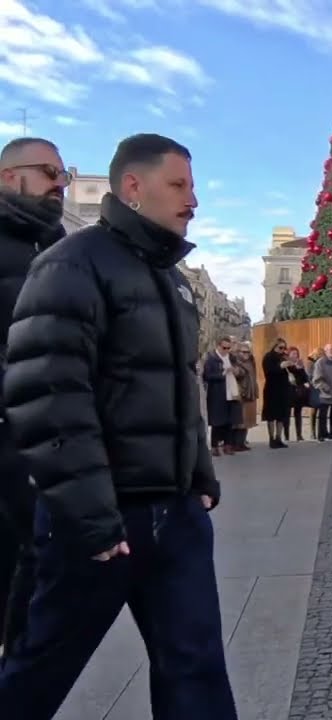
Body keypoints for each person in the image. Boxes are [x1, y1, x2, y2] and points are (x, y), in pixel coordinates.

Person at [0, 133, 236, 717]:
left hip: (175, 512)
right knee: (41, 666)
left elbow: (178, 385)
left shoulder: (173, 278)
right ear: (134, 187)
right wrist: (92, 518)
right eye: (178, 185)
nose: (193, 201)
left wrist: (199, 474)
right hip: (100, 518)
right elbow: (51, 398)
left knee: (196, 664)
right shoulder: (69, 264)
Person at [0, 137, 71, 653]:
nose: (59, 186)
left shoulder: (58, 248)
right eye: (49, 172)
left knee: (40, 552)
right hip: (10, 429)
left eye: (63, 177)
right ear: (8, 177)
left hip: (48, 433)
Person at [260, 337, 292, 448]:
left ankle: (279, 438)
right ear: (274, 346)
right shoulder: (268, 357)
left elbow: (292, 371)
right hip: (272, 389)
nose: (282, 349)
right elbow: (268, 372)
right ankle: (271, 439)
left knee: (281, 415)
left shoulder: (283, 357)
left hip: (283, 390)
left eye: (284, 347)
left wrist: (292, 364)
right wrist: (280, 366)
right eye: (280, 347)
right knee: (271, 415)